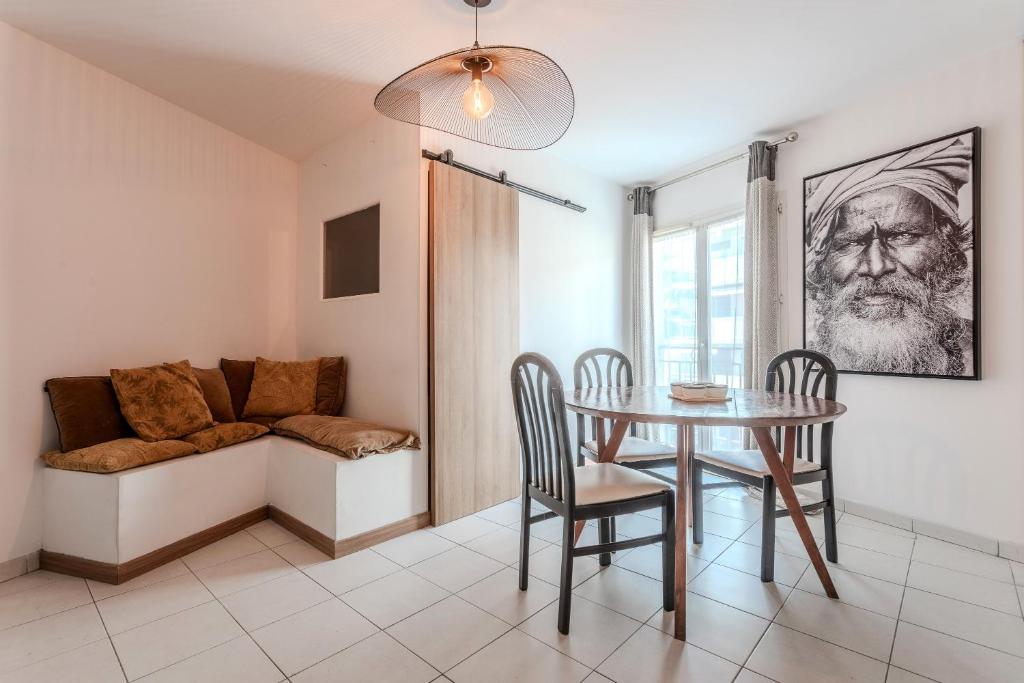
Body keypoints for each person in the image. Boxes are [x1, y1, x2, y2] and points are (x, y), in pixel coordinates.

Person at [804, 136, 974, 376]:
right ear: (822, 261)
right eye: (851, 242)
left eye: (902, 235)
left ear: (947, 245)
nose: (876, 267)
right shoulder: (809, 359)